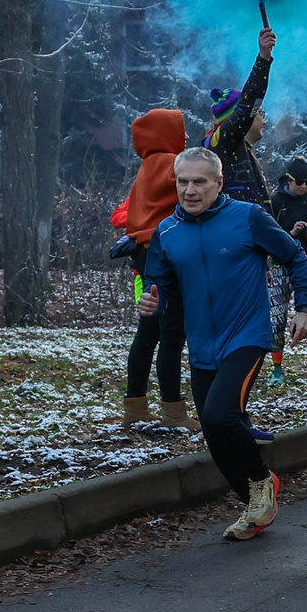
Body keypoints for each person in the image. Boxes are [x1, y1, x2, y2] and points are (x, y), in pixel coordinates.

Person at [141, 147, 307, 542]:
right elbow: (160, 287)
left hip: (247, 335)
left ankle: (261, 482)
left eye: (199, 181)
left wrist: (306, 307)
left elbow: (295, 257)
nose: (189, 190)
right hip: (203, 343)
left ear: (218, 183)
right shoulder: (166, 232)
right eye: (182, 181)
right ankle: (255, 502)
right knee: (213, 429)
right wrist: (152, 302)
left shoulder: (248, 217)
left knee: (222, 415)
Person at [114, 108, 190, 425]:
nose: (186, 137)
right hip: (165, 255)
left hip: (147, 255)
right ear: (165, 133)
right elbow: (191, 188)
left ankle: (135, 406)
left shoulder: (148, 165)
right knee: (172, 333)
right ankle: (172, 410)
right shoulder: (167, 163)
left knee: (148, 332)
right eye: (180, 131)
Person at [266, 159, 307, 376]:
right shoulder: (276, 201)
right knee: (277, 317)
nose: (304, 186)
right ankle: (277, 367)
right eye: (300, 182)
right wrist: (292, 233)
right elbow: (268, 235)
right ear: (289, 180)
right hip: (279, 264)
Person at [206, 28, 278, 206]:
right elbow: (248, 103)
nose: (264, 120)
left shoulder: (241, 149)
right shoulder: (223, 143)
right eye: (260, 113)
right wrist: (263, 59)